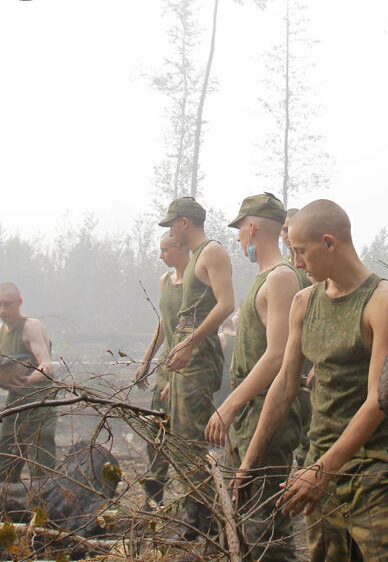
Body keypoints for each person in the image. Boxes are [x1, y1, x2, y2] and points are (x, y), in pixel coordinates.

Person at [236, 200, 388, 561]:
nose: (297, 262)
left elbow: (377, 399)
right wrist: (249, 463)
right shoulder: (304, 302)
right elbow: (285, 386)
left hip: (375, 473)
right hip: (319, 474)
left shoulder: (383, 302)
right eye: (292, 252)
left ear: (329, 243)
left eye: (301, 251)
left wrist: (322, 469)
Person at [204, 193, 307, 561]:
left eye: (239, 231)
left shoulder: (281, 278)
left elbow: (278, 355)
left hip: (267, 416)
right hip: (249, 417)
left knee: (265, 532)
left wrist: (228, 406)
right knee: (241, 519)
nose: (237, 240)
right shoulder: (266, 278)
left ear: (252, 227)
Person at [158, 197, 235, 537]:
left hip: (199, 356)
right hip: (184, 360)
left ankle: (204, 522)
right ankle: (196, 515)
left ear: (185, 223)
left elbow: (227, 304)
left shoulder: (211, 252)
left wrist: (190, 343)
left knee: (190, 441)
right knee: (180, 439)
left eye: (172, 224)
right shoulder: (192, 263)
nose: (171, 231)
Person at [133, 232, 189, 504]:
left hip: (188, 366)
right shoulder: (165, 281)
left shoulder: (196, 279)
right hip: (166, 364)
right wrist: (147, 360)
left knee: (183, 439)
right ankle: (153, 502)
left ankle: (197, 508)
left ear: (180, 247)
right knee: (156, 433)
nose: (161, 255)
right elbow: (164, 324)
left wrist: (177, 381)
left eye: (165, 249)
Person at [0, 282, 58, 485]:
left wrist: (27, 381)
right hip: (15, 406)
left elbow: (46, 367)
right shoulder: (1, 330)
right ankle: (4, 510)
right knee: (3, 466)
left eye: (7, 304)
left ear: (19, 303)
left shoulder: (31, 327)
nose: (2, 310)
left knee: (41, 469)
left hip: (39, 405)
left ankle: (44, 511)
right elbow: (3, 366)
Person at [283, 205, 315, 465]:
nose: (285, 234)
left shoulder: (312, 270)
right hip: (289, 356)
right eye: (282, 229)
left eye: (288, 228)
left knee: (310, 425)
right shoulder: (284, 268)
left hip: (310, 360)